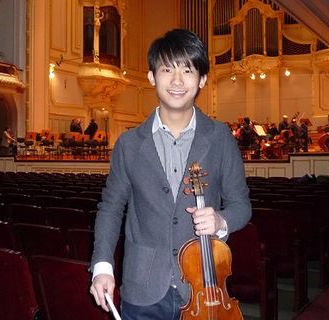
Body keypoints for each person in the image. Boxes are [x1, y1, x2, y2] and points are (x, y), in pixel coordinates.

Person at [89, 28, 252, 320]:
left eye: (187, 70)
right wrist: (102, 266)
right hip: (143, 290)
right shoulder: (128, 144)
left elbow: (242, 205)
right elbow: (110, 209)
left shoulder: (220, 138)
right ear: (152, 77)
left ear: (202, 78)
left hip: (205, 290)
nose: (177, 81)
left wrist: (221, 221)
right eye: (167, 69)